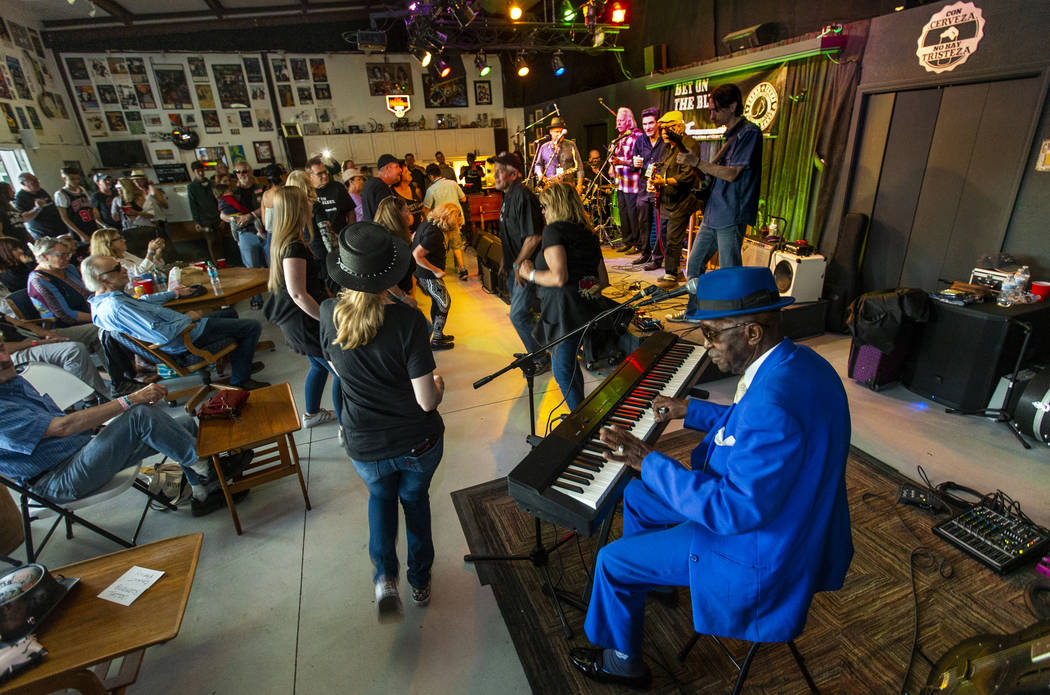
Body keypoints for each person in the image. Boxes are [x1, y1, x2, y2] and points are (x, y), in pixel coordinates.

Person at [568, 266, 853, 688]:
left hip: (759, 549)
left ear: (753, 333)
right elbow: (761, 432)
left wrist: (647, 458)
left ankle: (622, 660)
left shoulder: (772, 403)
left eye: (712, 334)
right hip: (796, 514)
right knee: (639, 496)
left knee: (611, 560)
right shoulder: (802, 364)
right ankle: (651, 581)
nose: (706, 347)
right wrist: (691, 411)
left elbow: (730, 510)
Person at [320, 222, 446, 619]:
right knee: (414, 501)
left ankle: (384, 578)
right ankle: (420, 583)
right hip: (416, 442)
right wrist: (439, 384)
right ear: (389, 274)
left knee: (380, 497)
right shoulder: (409, 322)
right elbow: (427, 401)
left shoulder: (328, 313)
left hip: (365, 442)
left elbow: (336, 370)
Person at [0, 344, 252, 516]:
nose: (3, 359)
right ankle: (206, 468)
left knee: (180, 424)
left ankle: (203, 495)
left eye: (1, 349)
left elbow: (60, 422)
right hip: (56, 479)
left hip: (81, 451)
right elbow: (61, 426)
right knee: (138, 414)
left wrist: (104, 426)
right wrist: (129, 400)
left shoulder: (14, 382)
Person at [82, 255, 270, 390]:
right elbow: (161, 334)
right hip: (185, 337)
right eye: (117, 269)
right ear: (102, 278)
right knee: (252, 327)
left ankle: (240, 364)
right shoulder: (117, 306)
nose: (123, 270)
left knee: (229, 314)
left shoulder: (102, 302)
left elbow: (144, 302)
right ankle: (241, 381)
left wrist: (176, 293)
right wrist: (190, 317)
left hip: (182, 332)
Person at [670, 84, 765, 323]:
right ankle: (694, 312)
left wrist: (698, 162)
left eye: (715, 110)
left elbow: (733, 174)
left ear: (733, 106)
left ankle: (731, 321)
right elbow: (714, 176)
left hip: (732, 213)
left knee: (730, 272)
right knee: (694, 265)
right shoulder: (729, 136)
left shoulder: (749, 133)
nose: (711, 116)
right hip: (714, 212)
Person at [517, 183, 608, 411]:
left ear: (556, 205)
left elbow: (558, 277)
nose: (543, 212)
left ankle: (582, 425)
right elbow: (603, 280)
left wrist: (530, 273)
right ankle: (582, 414)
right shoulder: (588, 233)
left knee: (563, 372)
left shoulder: (554, 231)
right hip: (584, 309)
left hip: (563, 312)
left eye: (545, 206)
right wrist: (582, 291)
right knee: (570, 368)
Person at [265, 186, 340, 429]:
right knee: (342, 371)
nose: (311, 205)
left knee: (318, 366)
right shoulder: (293, 246)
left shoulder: (288, 241)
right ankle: (347, 428)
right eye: (305, 202)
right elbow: (298, 293)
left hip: (299, 322)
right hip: (304, 322)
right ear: (296, 208)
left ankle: (312, 413)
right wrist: (326, 319)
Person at [491, 152, 550, 373]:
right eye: (494, 171)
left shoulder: (522, 196)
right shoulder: (507, 196)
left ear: (514, 174)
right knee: (521, 314)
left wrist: (517, 264)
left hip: (524, 269)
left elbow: (534, 237)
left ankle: (540, 358)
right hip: (514, 266)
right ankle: (537, 349)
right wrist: (506, 259)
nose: (495, 176)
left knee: (517, 316)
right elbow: (511, 233)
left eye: (500, 171)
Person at [648, 111, 700, 288]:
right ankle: (674, 271)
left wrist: (664, 181)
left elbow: (688, 176)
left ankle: (671, 275)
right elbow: (662, 167)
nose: (663, 132)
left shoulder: (689, 144)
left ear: (678, 127)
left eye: (667, 128)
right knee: (663, 235)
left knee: (673, 238)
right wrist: (654, 181)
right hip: (666, 199)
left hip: (682, 200)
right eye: (661, 129)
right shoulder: (667, 146)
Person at [1, 314, 108, 397]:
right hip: (13, 353)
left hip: (31, 338)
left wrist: (49, 335)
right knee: (72, 350)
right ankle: (94, 399)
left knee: (96, 330)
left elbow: (21, 324)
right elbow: (4, 349)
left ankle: (119, 381)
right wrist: (39, 342)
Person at [411, 203, 462, 350]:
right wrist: (435, 270)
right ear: (448, 217)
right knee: (444, 303)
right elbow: (417, 255)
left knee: (437, 302)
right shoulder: (434, 233)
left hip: (423, 272)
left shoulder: (429, 223)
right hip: (427, 274)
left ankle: (438, 334)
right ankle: (437, 340)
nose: (459, 221)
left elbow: (415, 237)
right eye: (457, 217)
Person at [218, 160, 266, 309]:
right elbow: (222, 214)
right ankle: (256, 299)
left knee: (273, 265)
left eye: (244, 171)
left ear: (250, 172)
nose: (241, 174)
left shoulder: (261, 188)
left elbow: (266, 206)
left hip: (264, 230)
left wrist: (250, 215)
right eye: (238, 172)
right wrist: (233, 218)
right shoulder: (231, 192)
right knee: (251, 268)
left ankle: (279, 297)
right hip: (245, 232)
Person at [422, 164, 468, 280]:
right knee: (457, 244)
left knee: (441, 245)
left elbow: (425, 209)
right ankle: (462, 269)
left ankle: (439, 269)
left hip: (441, 221)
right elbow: (463, 199)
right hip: (456, 218)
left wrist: (430, 222)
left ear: (431, 176)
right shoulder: (453, 183)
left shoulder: (431, 190)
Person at [631, 107, 664, 269]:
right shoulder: (640, 141)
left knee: (658, 225)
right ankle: (645, 254)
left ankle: (657, 258)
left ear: (657, 123)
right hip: (643, 190)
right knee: (643, 222)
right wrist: (634, 163)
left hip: (659, 189)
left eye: (651, 123)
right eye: (645, 124)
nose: (648, 127)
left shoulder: (664, 141)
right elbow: (633, 163)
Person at [609, 107, 643, 254]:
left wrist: (620, 162)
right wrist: (612, 165)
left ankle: (637, 243)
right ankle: (627, 241)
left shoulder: (637, 136)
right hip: (621, 182)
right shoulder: (620, 137)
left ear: (629, 120)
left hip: (633, 183)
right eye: (617, 121)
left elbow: (638, 160)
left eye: (621, 120)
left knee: (633, 214)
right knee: (623, 213)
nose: (618, 124)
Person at [373, 196, 419, 302]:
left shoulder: (397, 237)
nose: (410, 214)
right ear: (396, 215)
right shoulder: (388, 242)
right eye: (406, 210)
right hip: (392, 299)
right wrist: (403, 297)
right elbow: (384, 276)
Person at [187, 161, 224, 263]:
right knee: (211, 242)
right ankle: (216, 264)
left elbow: (219, 201)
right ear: (194, 172)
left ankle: (222, 262)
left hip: (217, 217)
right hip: (204, 220)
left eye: (202, 170)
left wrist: (222, 218)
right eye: (198, 171)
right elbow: (193, 205)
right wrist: (197, 222)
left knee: (220, 241)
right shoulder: (192, 187)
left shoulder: (212, 184)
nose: (200, 173)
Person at [533, 117, 584, 191]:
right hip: (550, 187)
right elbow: (538, 165)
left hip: (568, 187)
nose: (560, 134)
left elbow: (579, 167)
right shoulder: (544, 147)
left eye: (561, 132)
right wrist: (540, 175)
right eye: (557, 132)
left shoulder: (571, 145)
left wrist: (579, 186)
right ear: (551, 132)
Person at [90, 227, 164, 277]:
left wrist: (158, 252)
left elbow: (150, 267)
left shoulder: (124, 254)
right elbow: (140, 274)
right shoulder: (111, 262)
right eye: (119, 239)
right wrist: (150, 252)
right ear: (108, 245)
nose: (124, 240)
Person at [309, 156, 356, 234]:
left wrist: (349, 233)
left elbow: (351, 212)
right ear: (310, 176)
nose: (324, 176)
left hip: (340, 236)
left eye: (325, 172)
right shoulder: (308, 192)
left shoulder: (338, 187)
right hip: (319, 240)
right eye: (319, 174)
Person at [53, 167, 100, 244]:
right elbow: (64, 218)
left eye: (77, 179)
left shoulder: (82, 190)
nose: (76, 181)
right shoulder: (61, 194)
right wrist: (81, 234)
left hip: (91, 225)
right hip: (79, 229)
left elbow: (90, 207)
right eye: (72, 179)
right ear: (64, 179)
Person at [14, 173, 65, 240]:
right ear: (23, 183)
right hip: (44, 234)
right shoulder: (20, 197)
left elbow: (51, 205)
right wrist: (37, 208)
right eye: (33, 182)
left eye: (37, 180)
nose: (37, 183)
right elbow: (23, 218)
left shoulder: (41, 191)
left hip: (59, 229)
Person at [359, 154, 401, 223]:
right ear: (388, 168)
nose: (400, 170)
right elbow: (387, 217)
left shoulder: (370, 184)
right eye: (397, 167)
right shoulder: (380, 187)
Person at [392, 161, 424, 231]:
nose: (410, 173)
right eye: (406, 172)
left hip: (421, 232)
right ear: (399, 175)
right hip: (407, 235)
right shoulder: (393, 194)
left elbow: (422, 209)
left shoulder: (415, 188)